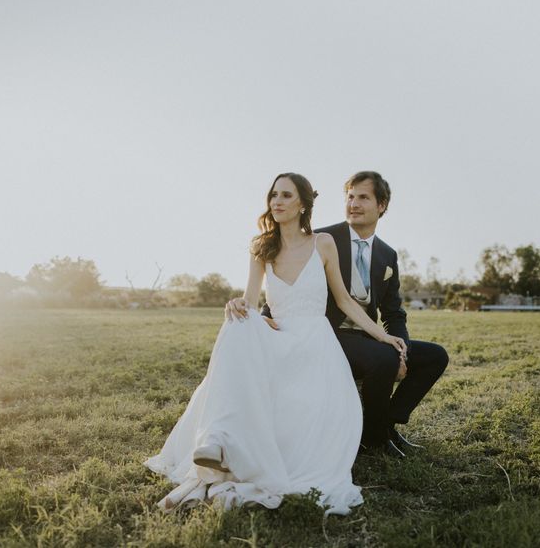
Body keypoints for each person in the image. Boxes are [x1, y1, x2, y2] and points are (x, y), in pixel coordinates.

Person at [144, 173, 407, 515]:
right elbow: (251, 300)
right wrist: (240, 306)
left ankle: (230, 440)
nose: (277, 202)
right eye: (273, 196)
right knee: (236, 322)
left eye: (285, 195)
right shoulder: (261, 246)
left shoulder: (323, 243)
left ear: (302, 203)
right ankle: (216, 439)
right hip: (278, 334)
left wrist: (383, 335)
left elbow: (344, 301)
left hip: (314, 342)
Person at [229, 171, 449, 457]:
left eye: (363, 197)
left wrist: (402, 351)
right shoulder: (322, 239)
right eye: (350, 197)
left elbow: (394, 313)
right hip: (327, 336)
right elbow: (287, 282)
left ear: (382, 205)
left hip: (368, 334)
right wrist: (267, 319)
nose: (354, 204)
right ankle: (373, 439)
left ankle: (386, 423)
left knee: (435, 356)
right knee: (382, 358)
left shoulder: (387, 255)